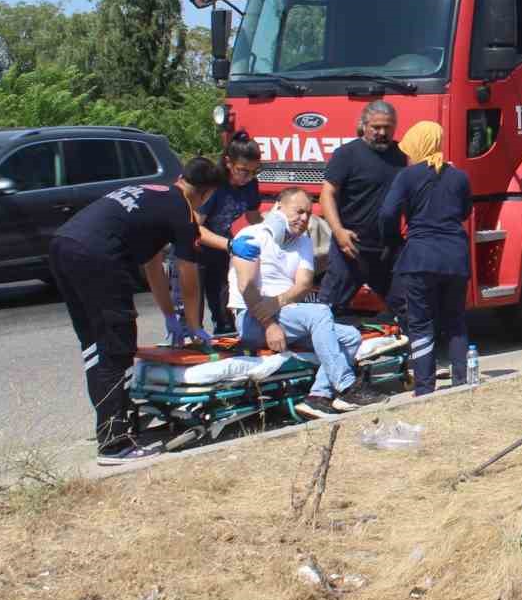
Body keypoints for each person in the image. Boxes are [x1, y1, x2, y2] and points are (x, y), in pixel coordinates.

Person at [50, 157, 223, 465]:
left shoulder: (151, 190)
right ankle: (114, 444)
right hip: (98, 255)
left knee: (94, 345)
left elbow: (153, 266)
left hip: (63, 244)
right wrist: (195, 325)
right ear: (206, 194)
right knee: (118, 348)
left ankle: (111, 425)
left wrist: (169, 314)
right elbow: (188, 274)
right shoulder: (183, 210)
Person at [230, 188, 386, 418]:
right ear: (279, 208)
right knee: (319, 311)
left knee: (351, 336)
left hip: (286, 317)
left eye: (308, 214)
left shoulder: (302, 241)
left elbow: (303, 284)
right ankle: (347, 386)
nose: (304, 219)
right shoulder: (251, 236)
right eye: (298, 211)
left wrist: (277, 303)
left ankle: (318, 396)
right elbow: (246, 287)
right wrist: (270, 324)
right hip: (252, 319)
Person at [379, 121, 473, 396]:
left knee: (421, 323)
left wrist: (393, 239)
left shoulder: (407, 177)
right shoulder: (460, 177)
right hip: (456, 257)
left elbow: (387, 213)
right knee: (455, 320)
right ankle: (461, 382)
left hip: (419, 258)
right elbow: (465, 211)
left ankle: (424, 387)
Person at [319, 100, 409, 316]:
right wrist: (338, 232)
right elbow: (326, 194)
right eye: (376, 127)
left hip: (388, 249)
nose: (382, 132)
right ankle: (312, 346)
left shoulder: (402, 155)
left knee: (405, 304)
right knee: (328, 308)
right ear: (364, 125)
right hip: (351, 247)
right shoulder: (346, 154)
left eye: (387, 127)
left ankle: (409, 346)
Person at [171, 131, 262, 335]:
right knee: (190, 312)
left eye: (254, 172)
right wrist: (230, 245)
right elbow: (195, 228)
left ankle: (225, 342)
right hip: (193, 251)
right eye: (242, 171)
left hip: (219, 251)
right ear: (228, 162)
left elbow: (254, 218)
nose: (247, 177)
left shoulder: (250, 185)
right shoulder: (214, 186)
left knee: (224, 310)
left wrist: (271, 232)